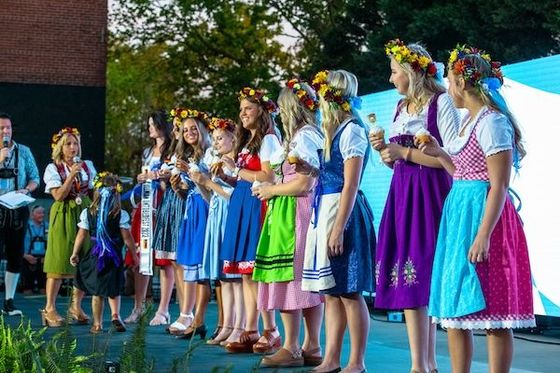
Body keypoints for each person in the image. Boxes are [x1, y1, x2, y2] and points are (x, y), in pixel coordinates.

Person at [422, 46, 535, 373]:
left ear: (461, 81)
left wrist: (483, 235)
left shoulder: (492, 122)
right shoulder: (468, 121)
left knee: (495, 315)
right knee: (456, 311)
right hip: (459, 214)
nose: (447, 87)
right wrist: (440, 154)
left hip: (486, 217)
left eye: (449, 80)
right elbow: (464, 174)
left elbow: (497, 184)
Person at [371, 39, 460, 373]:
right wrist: (386, 152)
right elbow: (395, 164)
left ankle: (429, 363)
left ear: (411, 71)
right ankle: (420, 364)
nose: (391, 78)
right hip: (403, 193)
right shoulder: (399, 109)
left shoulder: (441, 103)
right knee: (409, 274)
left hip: (431, 192)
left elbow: (452, 158)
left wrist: (404, 153)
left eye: (395, 71)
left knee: (427, 271)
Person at [302, 70, 376, 373]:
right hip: (327, 208)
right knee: (331, 292)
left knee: (349, 291)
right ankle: (331, 358)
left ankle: (356, 361)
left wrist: (338, 227)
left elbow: (350, 183)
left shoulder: (352, 131)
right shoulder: (333, 132)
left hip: (343, 213)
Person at [252, 79, 324, 368]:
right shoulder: (300, 136)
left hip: (296, 212)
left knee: (291, 275)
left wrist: (271, 189)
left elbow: (306, 183)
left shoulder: (305, 137)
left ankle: (293, 346)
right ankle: (312, 344)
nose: (280, 112)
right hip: (289, 211)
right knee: (302, 277)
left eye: (283, 107)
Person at [220, 87, 282, 354]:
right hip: (243, 202)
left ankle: (271, 329)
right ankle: (251, 327)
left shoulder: (269, 139)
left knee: (258, 271)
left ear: (262, 111)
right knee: (246, 273)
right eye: (242, 109)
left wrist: (237, 170)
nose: (242, 113)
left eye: (248, 108)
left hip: (258, 204)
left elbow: (268, 176)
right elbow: (246, 175)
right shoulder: (248, 141)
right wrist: (227, 176)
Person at [186, 117, 245, 345]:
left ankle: (240, 326)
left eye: (220, 138)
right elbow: (211, 199)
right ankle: (227, 325)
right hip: (217, 216)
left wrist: (209, 183)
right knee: (224, 278)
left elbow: (234, 196)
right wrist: (200, 182)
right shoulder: (218, 164)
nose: (216, 143)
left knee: (234, 277)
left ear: (233, 137)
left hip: (230, 217)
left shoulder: (236, 164)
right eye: (214, 139)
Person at [42, 127, 96, 327]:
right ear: (60, 147)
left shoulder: (87, 165)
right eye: (68, 144)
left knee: (83, 259)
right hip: (64, 213)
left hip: (83, 213)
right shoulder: (53, 168)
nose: (73, 147)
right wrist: (72, 175)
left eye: (76, 143)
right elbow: (58, 195)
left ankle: (76, 306)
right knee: (59, 260)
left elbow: (92, 192)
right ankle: (49, 308)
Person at [70, 172, 137, 334]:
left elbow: (81, 234)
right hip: (113, 257)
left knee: (97, 293)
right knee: (113, 288)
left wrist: (75, 253)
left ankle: (97, 324)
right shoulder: (120, 214)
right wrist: (134, 255)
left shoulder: (88, 212)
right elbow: (127, 238)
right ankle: (116, 315)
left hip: (94, 256)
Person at [123, 110, 173, 324]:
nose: (150, 128)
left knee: (164, 259)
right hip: (145, 205)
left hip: (163, 205)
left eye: (153, 124)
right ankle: (139, 306)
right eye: (149, 124)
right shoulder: (147, 151)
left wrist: (154, 176)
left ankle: (163, 309)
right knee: (140, 256)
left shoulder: (172, 149)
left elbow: (170, 178)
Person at [171, 108, 212, 340]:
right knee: (192, 267)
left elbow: (209, 187)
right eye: (185, 130)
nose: (189, 133)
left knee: (202, 267)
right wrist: (178, 188)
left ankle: (199, 319)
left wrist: (193, 176)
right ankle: (194, 317)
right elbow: (189, 192)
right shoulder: (189, 156)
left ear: (202, 129)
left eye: (193, 128)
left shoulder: (210, 153)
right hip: (192, 210)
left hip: (206, 210)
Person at [0, 112, 40, 315]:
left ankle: (9, 301)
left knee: (15, 254)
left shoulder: (23, 151)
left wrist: (27, 189)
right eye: (1, 129)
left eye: (8, 128)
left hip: (17, 207)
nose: (6, 131)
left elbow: (35, 177)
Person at [21, 205, 48, 294]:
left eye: (43, 213)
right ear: (32, 215)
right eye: (39, 213)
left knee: (44, 287)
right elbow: (17, 243)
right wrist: (25, 256)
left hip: (43, 260)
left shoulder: (47, 226)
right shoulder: (25, 226)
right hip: (27, 258)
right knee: (27, 288)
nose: (42, 215)